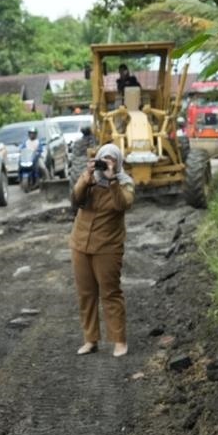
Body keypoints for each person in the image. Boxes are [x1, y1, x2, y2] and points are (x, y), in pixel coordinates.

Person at [69, 143, 135, 358]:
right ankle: (90, 340)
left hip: (107, 247)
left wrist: (113, 179)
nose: (107, 162)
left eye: (112, 159)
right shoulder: (90, 179)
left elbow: (122, 205)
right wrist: (86, 178)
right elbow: (75, 200)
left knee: (111, 293)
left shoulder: (125, 183)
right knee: (85, 295)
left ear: (118, 162)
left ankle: (119, 341)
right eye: (103, 158)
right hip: (80, 244)